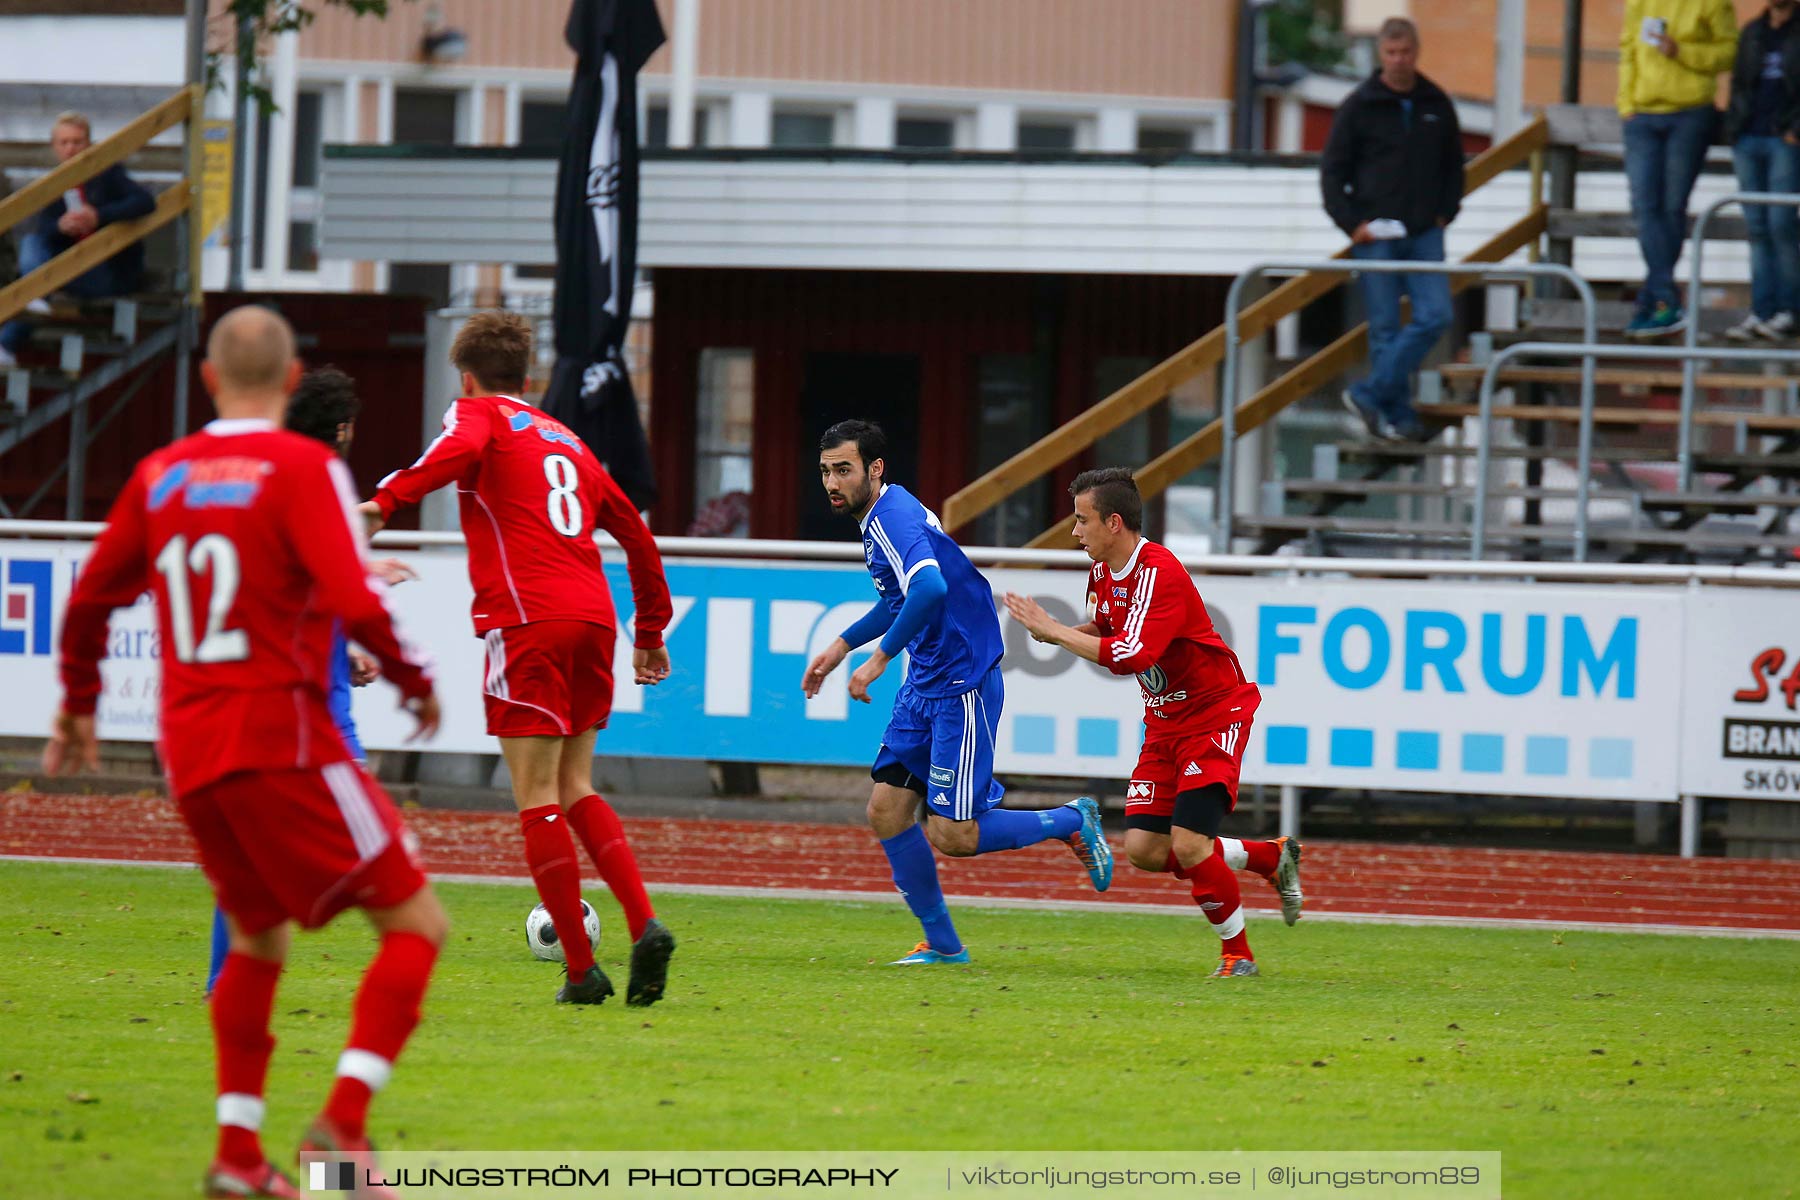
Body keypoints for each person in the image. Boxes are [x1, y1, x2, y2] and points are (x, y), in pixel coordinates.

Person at [44, 305, 445, 1198]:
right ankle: (342, 1123)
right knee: (420, 927)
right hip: (286, 738)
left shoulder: (160, 472)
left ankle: (236, 1157)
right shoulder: (305, 466)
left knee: (258, 939)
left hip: (190, 752)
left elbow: (90, 601)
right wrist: (417, 680)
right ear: (293, 382)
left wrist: (77, 705)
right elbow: (350, 589)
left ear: (209, 380)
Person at [364, 310, 678, 1006]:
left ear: (469, 378)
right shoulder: (568, 438)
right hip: (594, 618)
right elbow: (635, 533)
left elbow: (445, 456)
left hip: (528, 619)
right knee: (577, 786)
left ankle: (579, 970)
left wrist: (384, 503)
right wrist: (650, 629)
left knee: (534, 798)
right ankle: (643, 920)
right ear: (530, 378)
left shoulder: (478, 416)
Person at [801, 419, 1113, 966]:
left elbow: (930, 586)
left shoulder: (890, 518)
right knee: (887, 811)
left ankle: (1073, 820)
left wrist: (876, 659)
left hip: (960, 681)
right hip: (928, 677)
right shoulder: (883, 512)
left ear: (874, 470)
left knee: (953, 834)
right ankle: (944, 947)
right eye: (826, 471)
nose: (832, 481)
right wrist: (841, 646)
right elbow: (904, 597)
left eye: (843, 470)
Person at [1002, 468, 1301, 979]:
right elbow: (1106, 626)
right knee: (1143, 849)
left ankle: (1239, 957)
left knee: (1188, 842)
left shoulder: (1158, 571)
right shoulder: (1100, 571)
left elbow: (1130, 655)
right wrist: (1058, 632)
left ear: (1113, 523)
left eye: (1082, 521)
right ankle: (1267, 859)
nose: (1075, 532)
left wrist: (1053, 631)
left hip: (1214, 713)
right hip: (1164, 722)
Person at [204, 368, 413, 995]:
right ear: (344, 427)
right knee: (383, 861)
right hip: (310, 716)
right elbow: (309, 570)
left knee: (250, 858)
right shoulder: (311, 482)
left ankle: (227, 981)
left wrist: (342, 647)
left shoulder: (251, 481)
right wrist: (364, 574)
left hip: (259, 700)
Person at [1320, 17, 1463, 444]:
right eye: (1391, 53)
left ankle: (1369, 393)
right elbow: (1332, 171)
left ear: (1416, 52)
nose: (1399, 60)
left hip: (1424, 231)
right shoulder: (1358, 106)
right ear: (1381, 55)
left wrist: (1446, 212)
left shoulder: (1437, 102)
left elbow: (1454, 166)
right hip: (1376, 235)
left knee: (1436, 314)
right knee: (1383, 327)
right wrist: (1351, 225)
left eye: (1405, 53)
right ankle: (1396, 416)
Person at [1618, 0, 1739, 340]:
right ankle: (1663, 297)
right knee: (1644, 205)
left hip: (1689, 112)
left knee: (1672, 206)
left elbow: (1729, 53)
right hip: (1642, 115)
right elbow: (1628, 48)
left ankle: (1655, 299)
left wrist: (1682, 51)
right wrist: (1626, 104)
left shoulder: (1713, 4)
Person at [0, 112, 154, 368]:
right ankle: (29, 301)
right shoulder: (55, 183)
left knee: (39, 278)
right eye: (64, 143)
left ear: (89, 144)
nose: (70, 148)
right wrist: (61, 227)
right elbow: (45, 230)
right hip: (68, 269)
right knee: (33, 243)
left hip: (108, 270)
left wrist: (99, 216)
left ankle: (11, 334)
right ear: (54, 147)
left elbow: (144, 202)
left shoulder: (108, 174)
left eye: (77, 141)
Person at [1724, 0, 1800, 342]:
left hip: (1784, 139)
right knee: (1756, 228)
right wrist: (1734, 129)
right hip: (1749, 137)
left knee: (1781, 224)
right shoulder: (1753, 32)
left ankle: (1789, 311)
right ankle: (1762, 311)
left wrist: (1795, 130)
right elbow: (1740, 82)